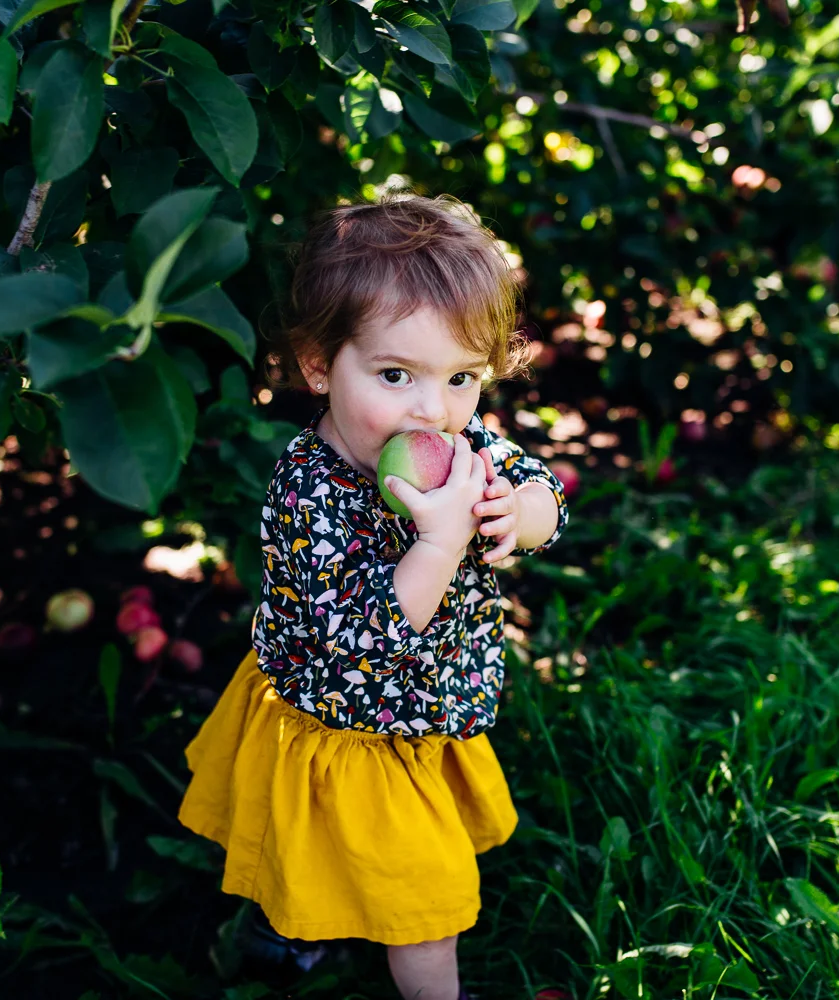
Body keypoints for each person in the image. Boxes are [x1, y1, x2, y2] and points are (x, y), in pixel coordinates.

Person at [176, 193, 570, 1000]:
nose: (433, 408)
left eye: (462, 377)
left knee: (340, 862)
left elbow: (545, 495)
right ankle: (295, 947)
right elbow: (363, 639)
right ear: (321, 365)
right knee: (425, 911)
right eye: (397, 375)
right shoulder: (306, 493)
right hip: (349, 724)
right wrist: (440, 542)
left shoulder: (458, 443)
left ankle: (290, 933)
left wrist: (515, 513)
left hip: (423, 712)